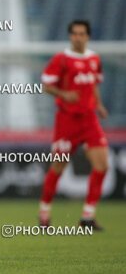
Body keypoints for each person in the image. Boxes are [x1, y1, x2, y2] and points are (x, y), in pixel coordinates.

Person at [39, 20, 108, 230]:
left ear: (88, 36)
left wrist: (99, 105)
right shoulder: (61, 59)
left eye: (82, 34)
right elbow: (46, 85)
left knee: (102, 166)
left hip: (89, 119)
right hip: (67, 120)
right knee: (58, 167)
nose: (78, 37)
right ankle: (44, 214)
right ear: (70, 36)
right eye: (74, 34)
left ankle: (87, 217)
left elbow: (93, 83)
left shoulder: (94, 58)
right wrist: (64, 94)